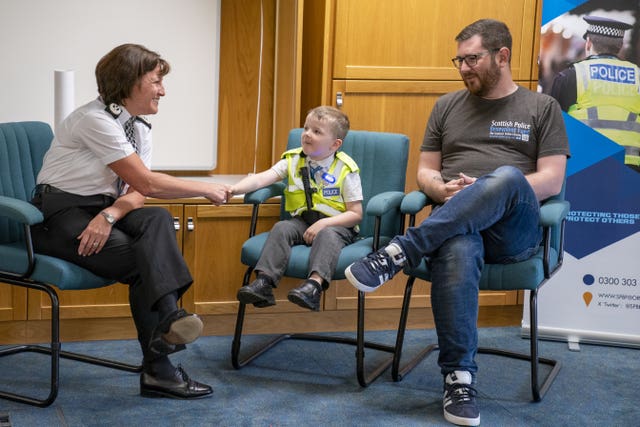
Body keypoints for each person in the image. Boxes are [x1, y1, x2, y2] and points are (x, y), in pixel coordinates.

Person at [345, 19, 570, 426]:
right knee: (458, 243)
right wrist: (445, 189)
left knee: (504, 177)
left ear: (502, 57)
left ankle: (400, 250)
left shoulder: (542, 107)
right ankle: (459, 378)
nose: (464, 68)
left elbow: (552, 179)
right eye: (459, 60)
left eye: (472, 59)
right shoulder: (446, 106)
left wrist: (484, 188)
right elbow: (425, 173)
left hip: (512, 230)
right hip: (453, 227)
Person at [31, 44, 231, 399]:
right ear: (129, 82)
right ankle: (161, 366)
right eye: (156, 81)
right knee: (145, 262)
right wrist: (206, 189)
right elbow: (149, 182)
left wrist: (110, 215)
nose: (163, 90)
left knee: (156, 217)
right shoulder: (94, 120)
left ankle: (168, 324)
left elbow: (140, 192)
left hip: (102, 209)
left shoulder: (139, 128)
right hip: (59, 216)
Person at [231, 106, 362, 311]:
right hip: (302, 221)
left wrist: (324, 223)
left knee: (327, 235)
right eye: (306, 128)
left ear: (335, 144)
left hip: (337, 225)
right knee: (282, 227)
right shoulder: (293, 159)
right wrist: (233, 189)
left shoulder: (346, 169)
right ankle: (264, 283)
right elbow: (262, 178)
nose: (307, 134)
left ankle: (313, 287)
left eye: (317, 131)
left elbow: (356, 214)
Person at [550, 15, 639, 172]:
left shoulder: (571, 76)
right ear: (620, 46)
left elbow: (551, 129)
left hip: (585, 164)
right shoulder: (637, 76)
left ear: (588, 43)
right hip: (630, 167)